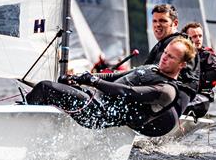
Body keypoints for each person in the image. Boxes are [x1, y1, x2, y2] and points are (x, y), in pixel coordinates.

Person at [26, 37, 196, 137]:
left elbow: (127, 92)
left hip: (98, 114)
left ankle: (24, 125)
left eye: (171, 57)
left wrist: (93, 81)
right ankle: (39, 125)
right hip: (94, 100)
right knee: (59, 83)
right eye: (165, 53)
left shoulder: (167, 91)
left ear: (181, 65)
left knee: (45, 88)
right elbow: (114, 76)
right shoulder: (152, 68)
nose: (164, 58)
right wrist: (79, 78)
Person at [144, 3, 199, 96]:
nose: (157, 24)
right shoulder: (161, 44)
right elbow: (145, 70)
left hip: (177, 96)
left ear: (175, 23)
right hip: (164, 92)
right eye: (154, 21)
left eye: (163, 21)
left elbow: (156, 72)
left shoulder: (178, 44)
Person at [181, 22, 216, 118]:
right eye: (194, 37)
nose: (198, 39)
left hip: (202, 98)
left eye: (200, 36)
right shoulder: (180, 56)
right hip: (185, 96)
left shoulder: (207, 55)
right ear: (186, 39)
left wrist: (196, 77)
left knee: (180, 107)